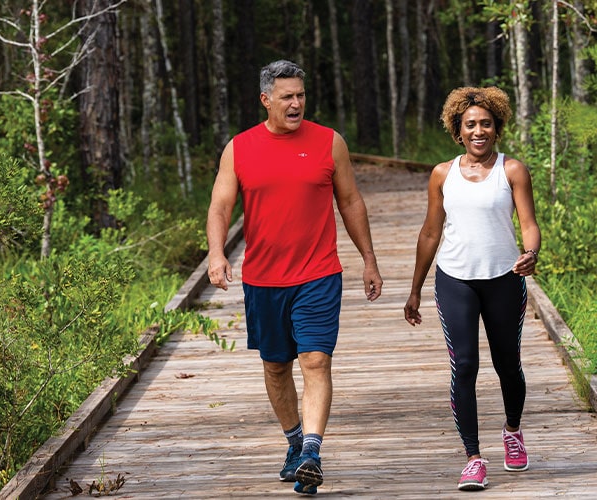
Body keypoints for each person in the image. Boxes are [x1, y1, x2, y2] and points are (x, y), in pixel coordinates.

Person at [206, 59, 383, 496]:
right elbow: (219, 207)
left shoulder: (329, 142)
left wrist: (369, 260)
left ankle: (312, 452)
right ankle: (292, 442)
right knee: (275, 366)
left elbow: (351, 202)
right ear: (266, 99)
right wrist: (215, 253)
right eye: (287, 96)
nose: (296, 103)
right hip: (264, 279)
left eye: (300, 95)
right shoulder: (240, 147)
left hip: (318, 274)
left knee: (316, 361)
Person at [403, 86, 542, 491]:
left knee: (507, 364)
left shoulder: (511, 170)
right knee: (464, 366)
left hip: (504, 278)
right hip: (455, 279)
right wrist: (414, 290)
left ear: (497, 128)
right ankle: (473, 458)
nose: (478, 131)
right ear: (457, 130)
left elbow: (529, 224)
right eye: (470, 125)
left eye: (485, 123)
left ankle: (513, 431)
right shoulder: (442, 174)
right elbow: (430, 232)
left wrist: (530, 252)